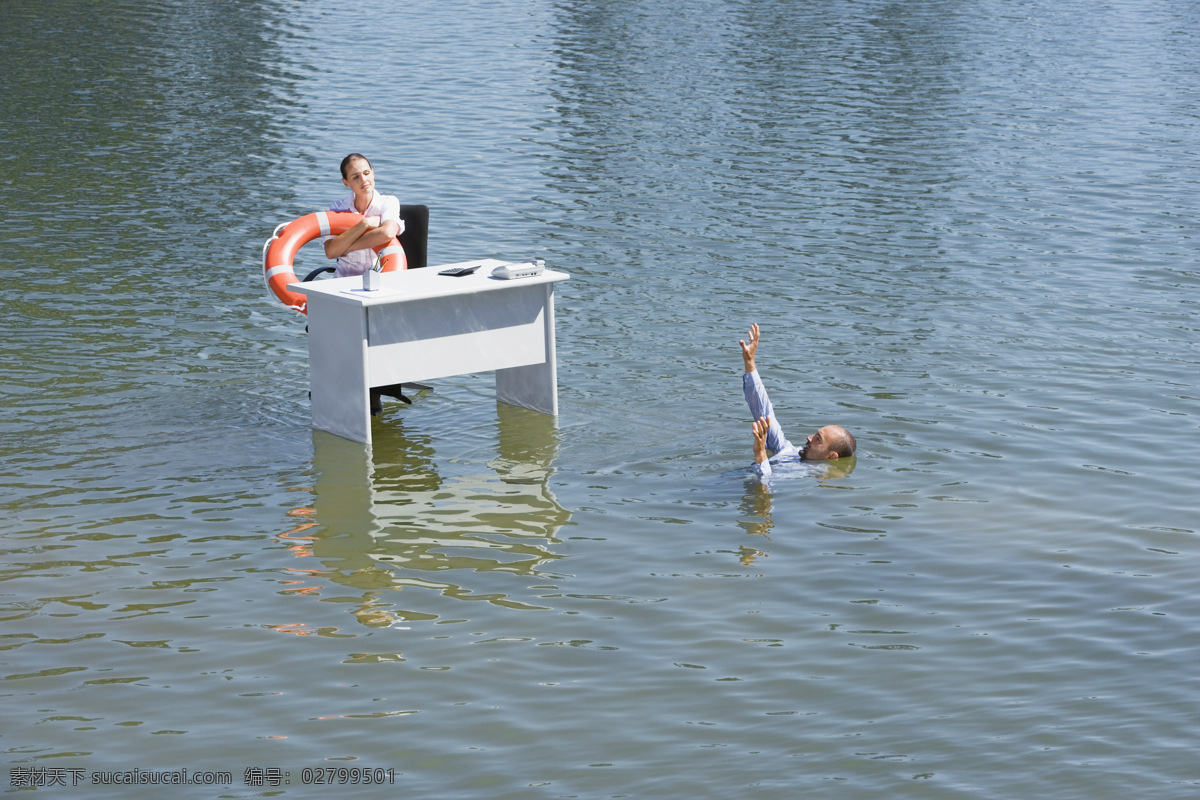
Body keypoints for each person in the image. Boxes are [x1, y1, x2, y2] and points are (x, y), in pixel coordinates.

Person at [740, 323, 856, 477]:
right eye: (815, 434)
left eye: (817, 439)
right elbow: (765, 413)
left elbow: (764, 491)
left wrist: (761, 454)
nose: (808, 438)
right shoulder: (792, 451)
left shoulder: (806, 473)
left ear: (831, 456)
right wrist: (750, 362)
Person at [323, 153, 405, 278]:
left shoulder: (388, 202)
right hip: (341, 280)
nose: (363, 180)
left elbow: (387, 233)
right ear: (346, 183)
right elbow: (331, 252)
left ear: (373, 173)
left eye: (366, 173)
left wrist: (345, 247)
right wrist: (364, 224)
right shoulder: (338, 208)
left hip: (378, 279)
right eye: (356, 177)